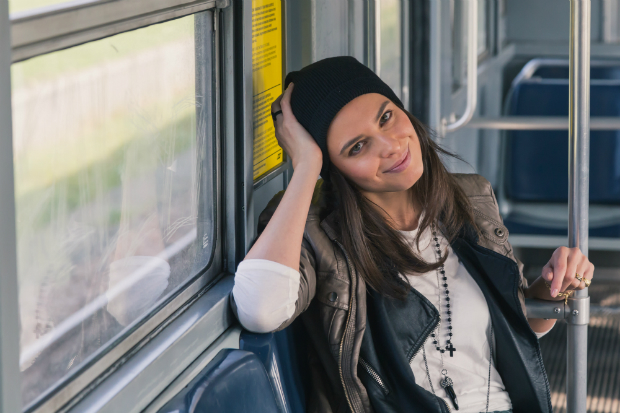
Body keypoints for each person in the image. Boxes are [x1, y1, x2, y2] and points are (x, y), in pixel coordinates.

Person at [230, 56, 594, 413]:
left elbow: (514, 328)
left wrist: (555, 285)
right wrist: (307, 166)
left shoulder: (470, 198)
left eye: (386, 117)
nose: (390, 146)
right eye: (357, 147)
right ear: (333, 166)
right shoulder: (317, 231)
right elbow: (260, 311)